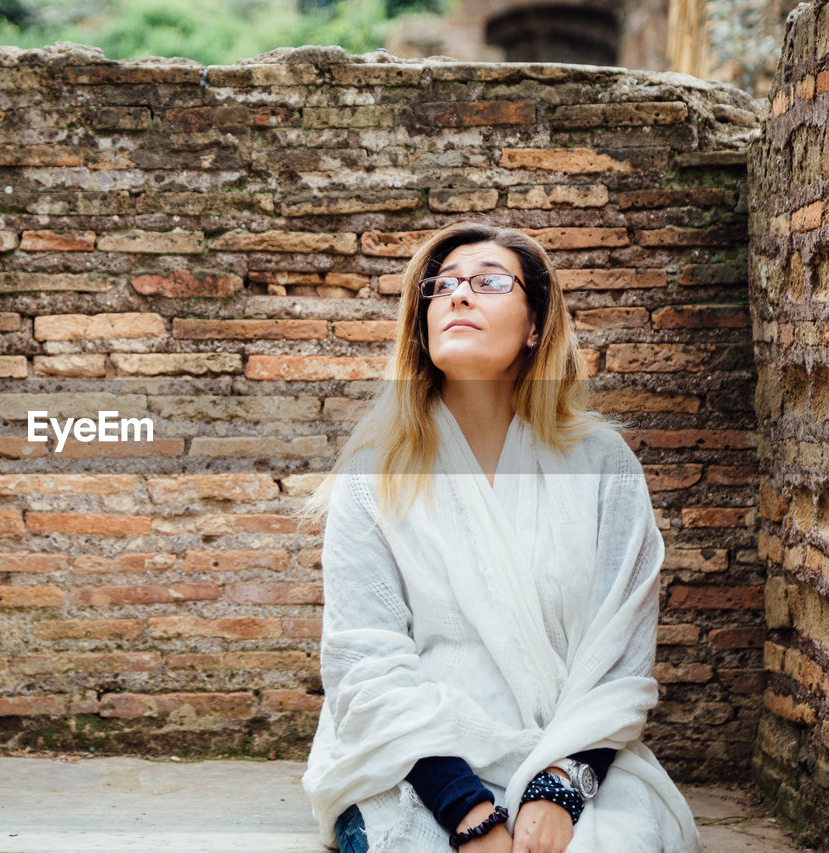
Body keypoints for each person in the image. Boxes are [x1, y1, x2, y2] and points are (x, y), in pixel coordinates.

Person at [299, 221, 701, 852]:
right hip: (410, 766)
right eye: (442, 285)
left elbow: (620, 662)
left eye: (488, 281)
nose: (459, 295)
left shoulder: (603, 466)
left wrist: (560, 790)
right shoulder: (373, 476)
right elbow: (366, 666)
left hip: (567, 755)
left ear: (536, 325)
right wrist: (467, 811)